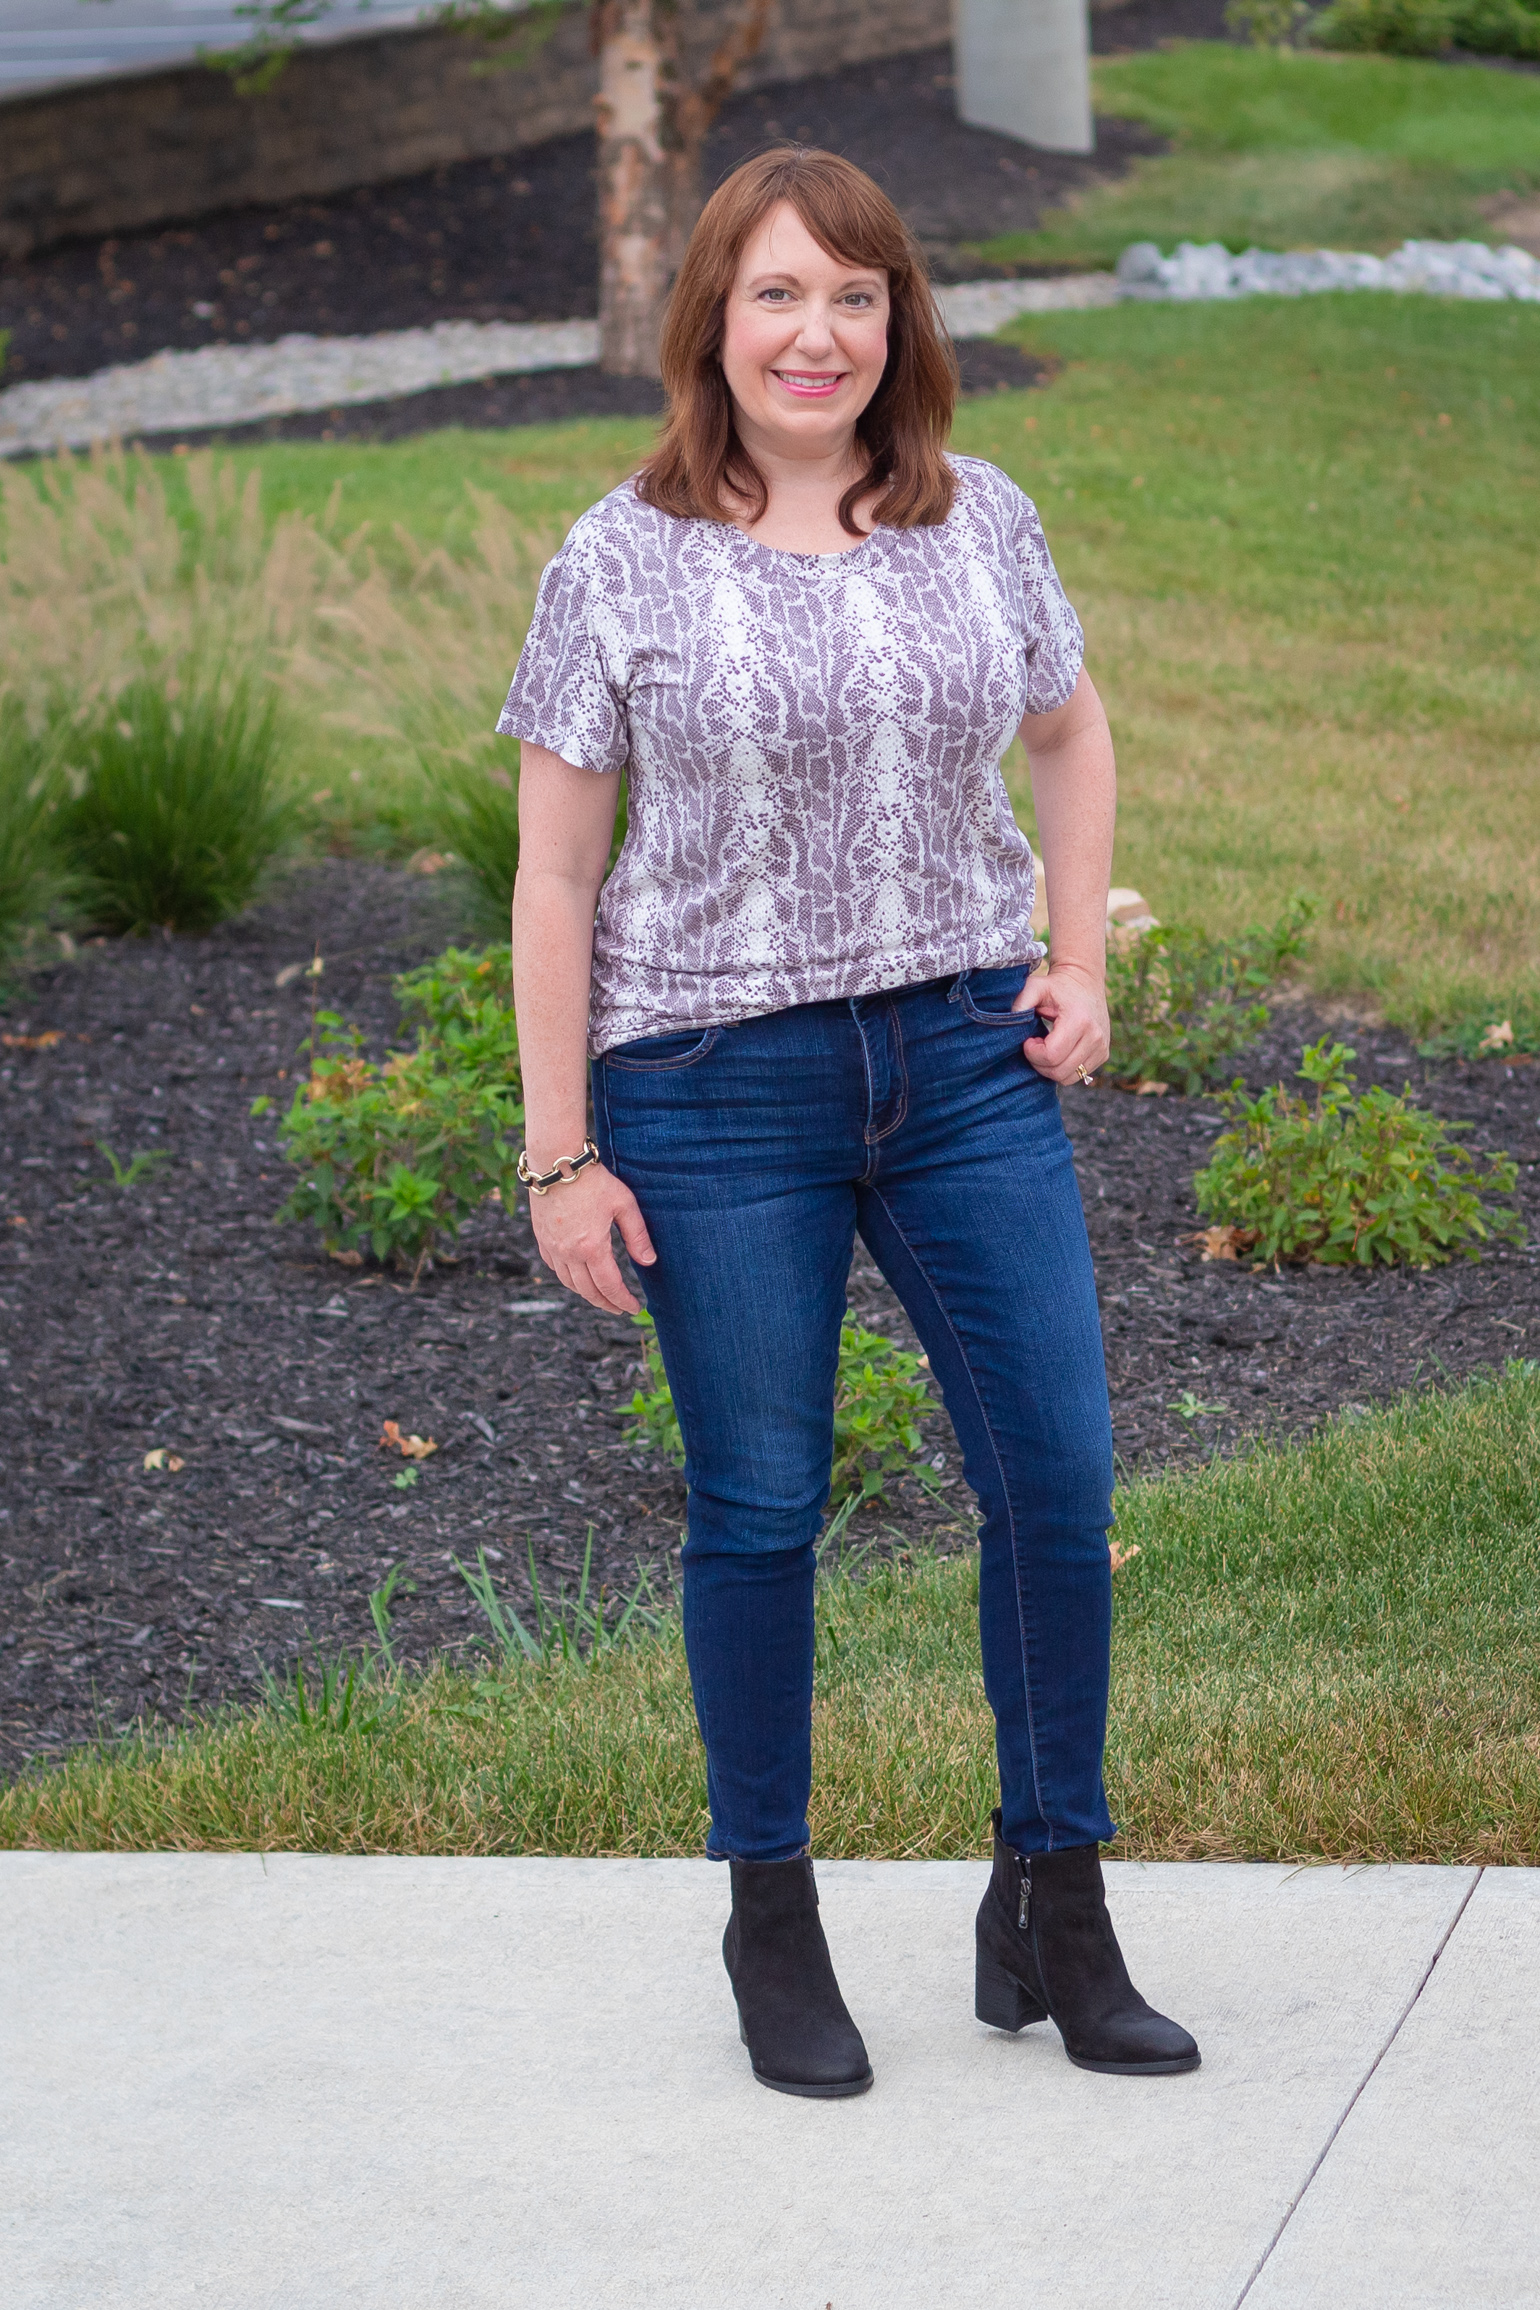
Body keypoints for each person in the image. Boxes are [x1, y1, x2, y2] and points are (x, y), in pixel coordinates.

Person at [501, 145, 1198, 2098]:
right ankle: (770, 1916)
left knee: (1053, 1484)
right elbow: (554, 879)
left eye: (854, 297)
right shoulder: (616, 555)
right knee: (758, 1510)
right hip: (713, 1092)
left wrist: (1077, 956)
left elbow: (1066, 731)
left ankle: (1050, 1898)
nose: (816, 335)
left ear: (899, 323)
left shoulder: (977, 517)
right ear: (709, 325)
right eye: (776, 297)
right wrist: (562, 1150)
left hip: (965, 1068)